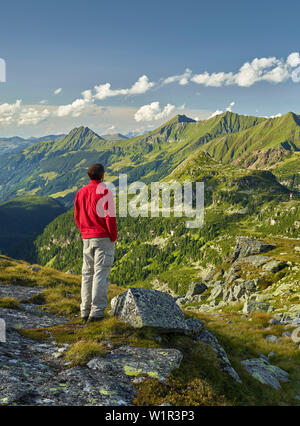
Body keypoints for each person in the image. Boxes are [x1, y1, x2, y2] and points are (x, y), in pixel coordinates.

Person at [74, 163, 117, 322]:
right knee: (100, 274)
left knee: (87, 274)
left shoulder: (81, 192)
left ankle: (84, 311)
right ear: (102, 175)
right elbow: (110, 218)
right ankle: (97, 312)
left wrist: (84, 231)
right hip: (103, 238)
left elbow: (77, 217)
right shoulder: (105, 191)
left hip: (87, 238)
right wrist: (113, 236)